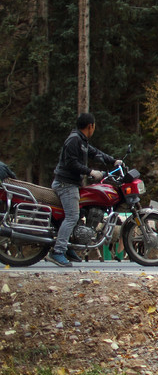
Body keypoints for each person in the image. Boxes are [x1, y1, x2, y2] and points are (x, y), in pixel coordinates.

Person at [49, 113, 121, 267]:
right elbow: (70, 163)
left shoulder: (81, 140)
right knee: (72, 217)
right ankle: (58, 251)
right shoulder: (74, 140)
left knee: (80, 213)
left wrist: (113, 161)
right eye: (94, 126)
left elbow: (95, 153)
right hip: (66, 185)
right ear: (91, 126)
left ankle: (68, 247)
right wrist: (90, 172)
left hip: (71, 184)